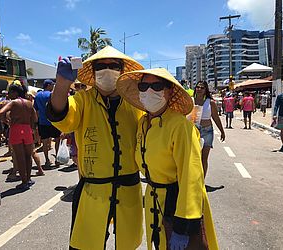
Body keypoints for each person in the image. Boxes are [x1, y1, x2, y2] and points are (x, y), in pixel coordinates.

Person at [46, 46, 144, 250]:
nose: (107, 70)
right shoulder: (83, 100)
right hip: (93, 189)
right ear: (93, 71)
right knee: (86, 244)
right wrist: (62, 84)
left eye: (114, 66)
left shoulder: (136, 103)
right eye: (101, 66)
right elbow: (61, 117)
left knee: (127, 244)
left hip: (129, 188)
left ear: (122, 70)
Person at [116, 68, 219, 250]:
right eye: (143, 86)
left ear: (169, 90)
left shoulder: (180, 126)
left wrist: (184, 223)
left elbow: (192, 175)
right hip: (153, 199)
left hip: (177, 201)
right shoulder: (143, 123)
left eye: (157, 86)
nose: (149, 91)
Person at [0, 82, 37, 190]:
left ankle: (24, 181)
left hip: (16, 129)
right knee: (28, 156)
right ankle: (28, 179)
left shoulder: (14, 102)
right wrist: (32, 128)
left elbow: (0, 113)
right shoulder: (29, 103)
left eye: (10, 92)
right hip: (27, 129)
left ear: (15, 92)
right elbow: (35, 118)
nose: (8, 94)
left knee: (19, 157)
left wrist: (6, 121)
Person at [193, 81, 225, 177]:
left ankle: (202, 180)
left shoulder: (210, 102)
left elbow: (215, 117)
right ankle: (194, 179)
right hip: (194, 131)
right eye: (198, 87)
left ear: (205, 90)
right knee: (194, 158)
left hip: (207, 131)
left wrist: (222, 131)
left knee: (204, 158)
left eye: (202, 88)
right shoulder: (190, 101)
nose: (199, 89)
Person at [34, 79, 61, 167]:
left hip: (42, 122)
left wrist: (38, 120)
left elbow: (36, 110)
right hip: (53, 121)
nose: (53, 86)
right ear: (48, 85)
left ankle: (47, 160)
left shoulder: (37, 96)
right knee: (57, 140)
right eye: (52, 85)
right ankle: (57, 159)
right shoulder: (51, 95)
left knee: (44, 142)